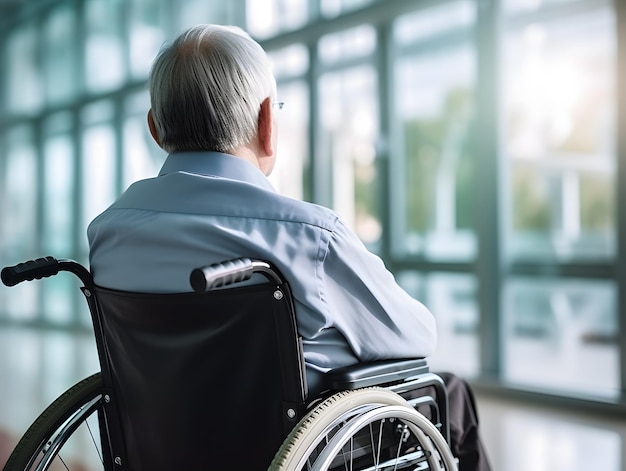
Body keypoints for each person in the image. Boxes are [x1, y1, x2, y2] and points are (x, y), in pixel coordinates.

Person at [87, 24, 491, 471]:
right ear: (267, 122)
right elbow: (415, 336)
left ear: (154, 128)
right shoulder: (307, 235)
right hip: (291, 450)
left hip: (165, 446)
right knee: (449, 391)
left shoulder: (108, 235)